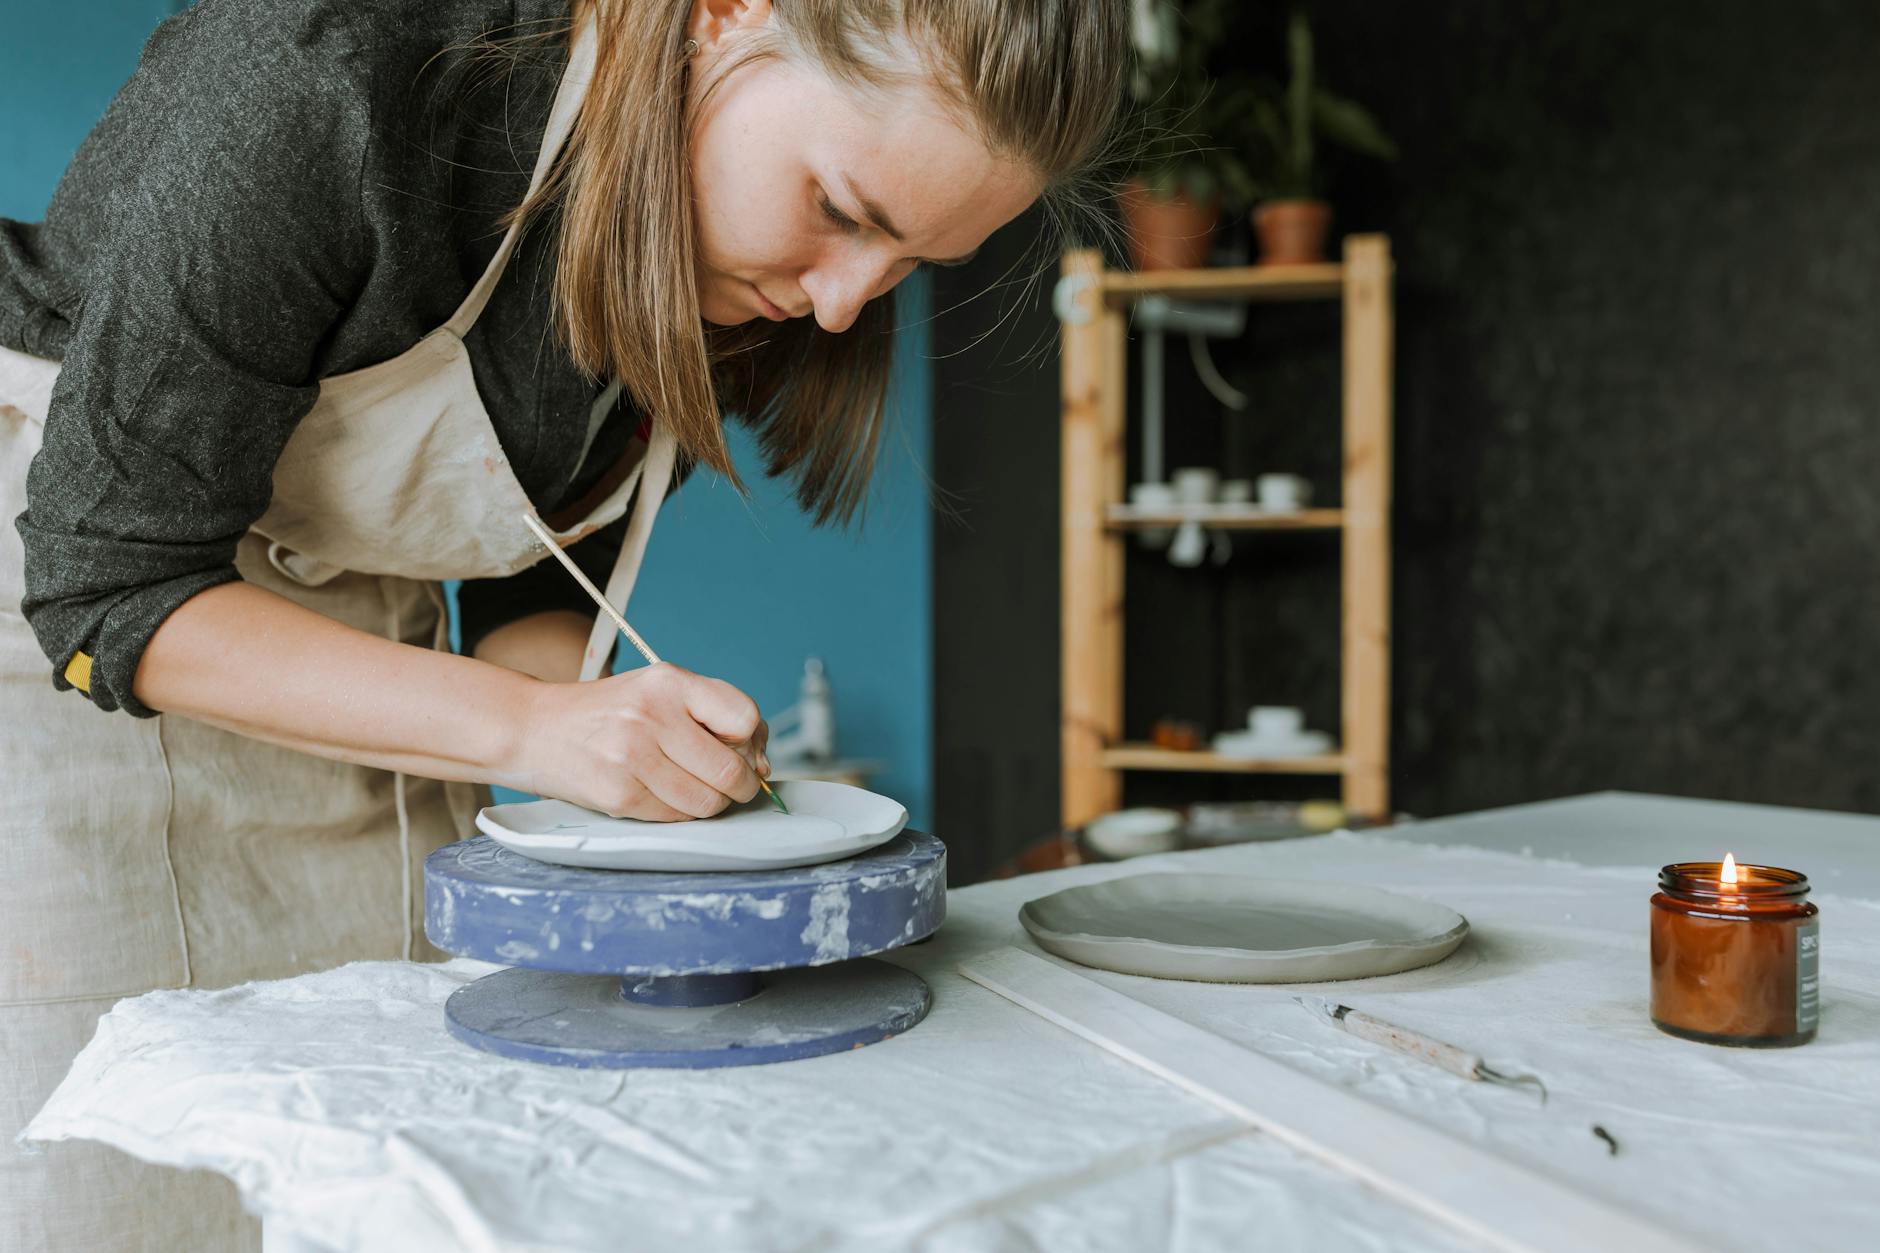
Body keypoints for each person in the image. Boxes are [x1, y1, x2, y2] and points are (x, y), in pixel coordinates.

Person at [0, 0, 1127, 1246]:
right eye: (843, 212)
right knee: (110, 1182)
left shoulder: (727, 260)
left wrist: (606, 750)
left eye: (910, 262)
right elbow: (107, 588)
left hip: (363, 649)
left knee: (377, 1169)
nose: (847, 303)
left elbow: (531, 549)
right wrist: (536, 729)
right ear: (723, 16)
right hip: (56, 618)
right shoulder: (322, 72)